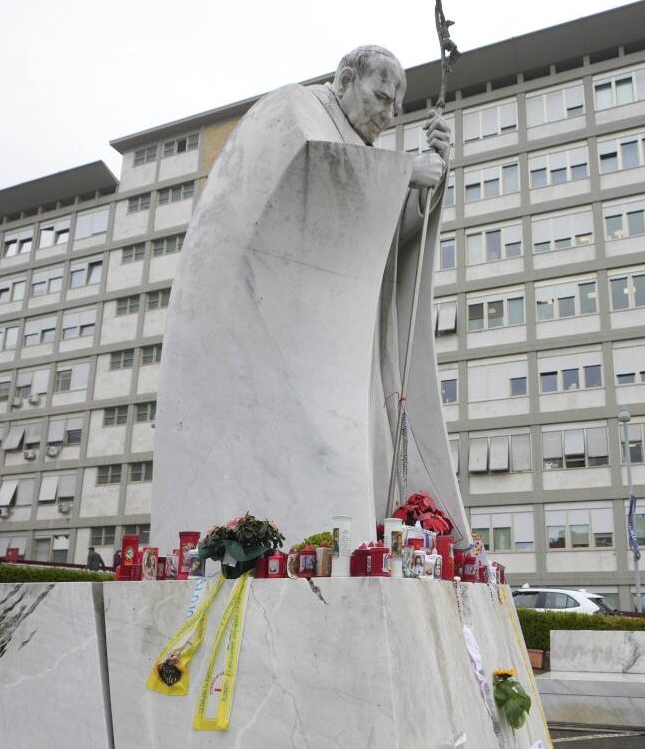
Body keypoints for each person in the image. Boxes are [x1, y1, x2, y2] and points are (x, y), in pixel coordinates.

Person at [151, 44, 470, 551]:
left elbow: (378, 247)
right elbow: (304, 176)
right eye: (380, 97)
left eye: (396, 107)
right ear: (345, 79)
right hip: (258, 337)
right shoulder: (293, 110)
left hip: (329, 349)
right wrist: (403, 172)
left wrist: (428, 183)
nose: (388, 115)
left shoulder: (357, 144)